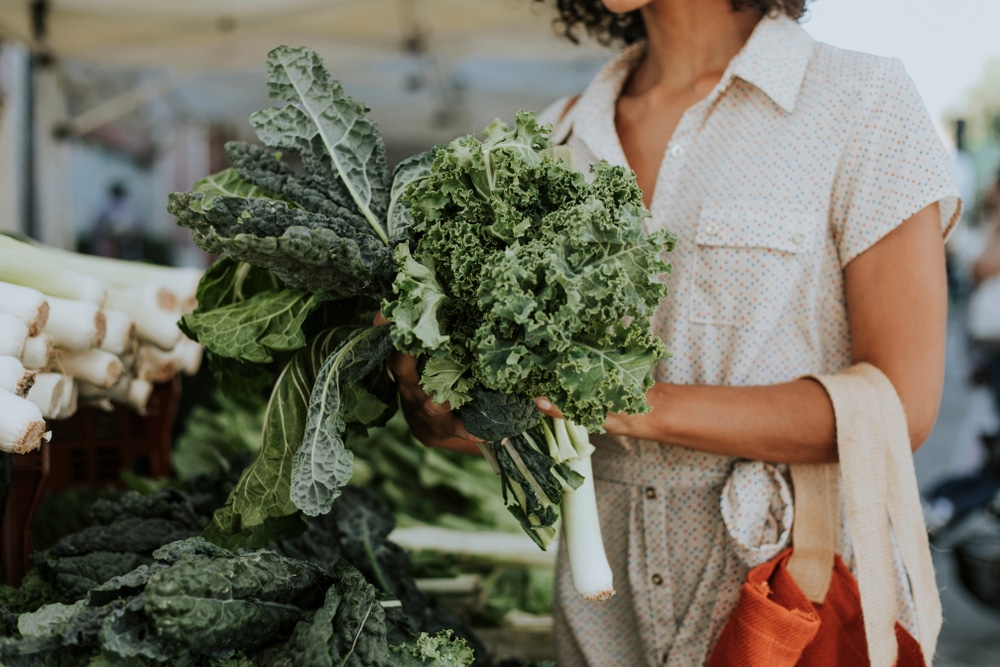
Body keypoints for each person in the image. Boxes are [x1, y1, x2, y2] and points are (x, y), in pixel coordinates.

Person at [388, 0, 961, 664]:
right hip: (602, 624)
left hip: (792, 605)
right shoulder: (553, 138)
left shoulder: (861, 102)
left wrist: (632, 405)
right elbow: (518, 420)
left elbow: (899, 405)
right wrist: (443, 411)